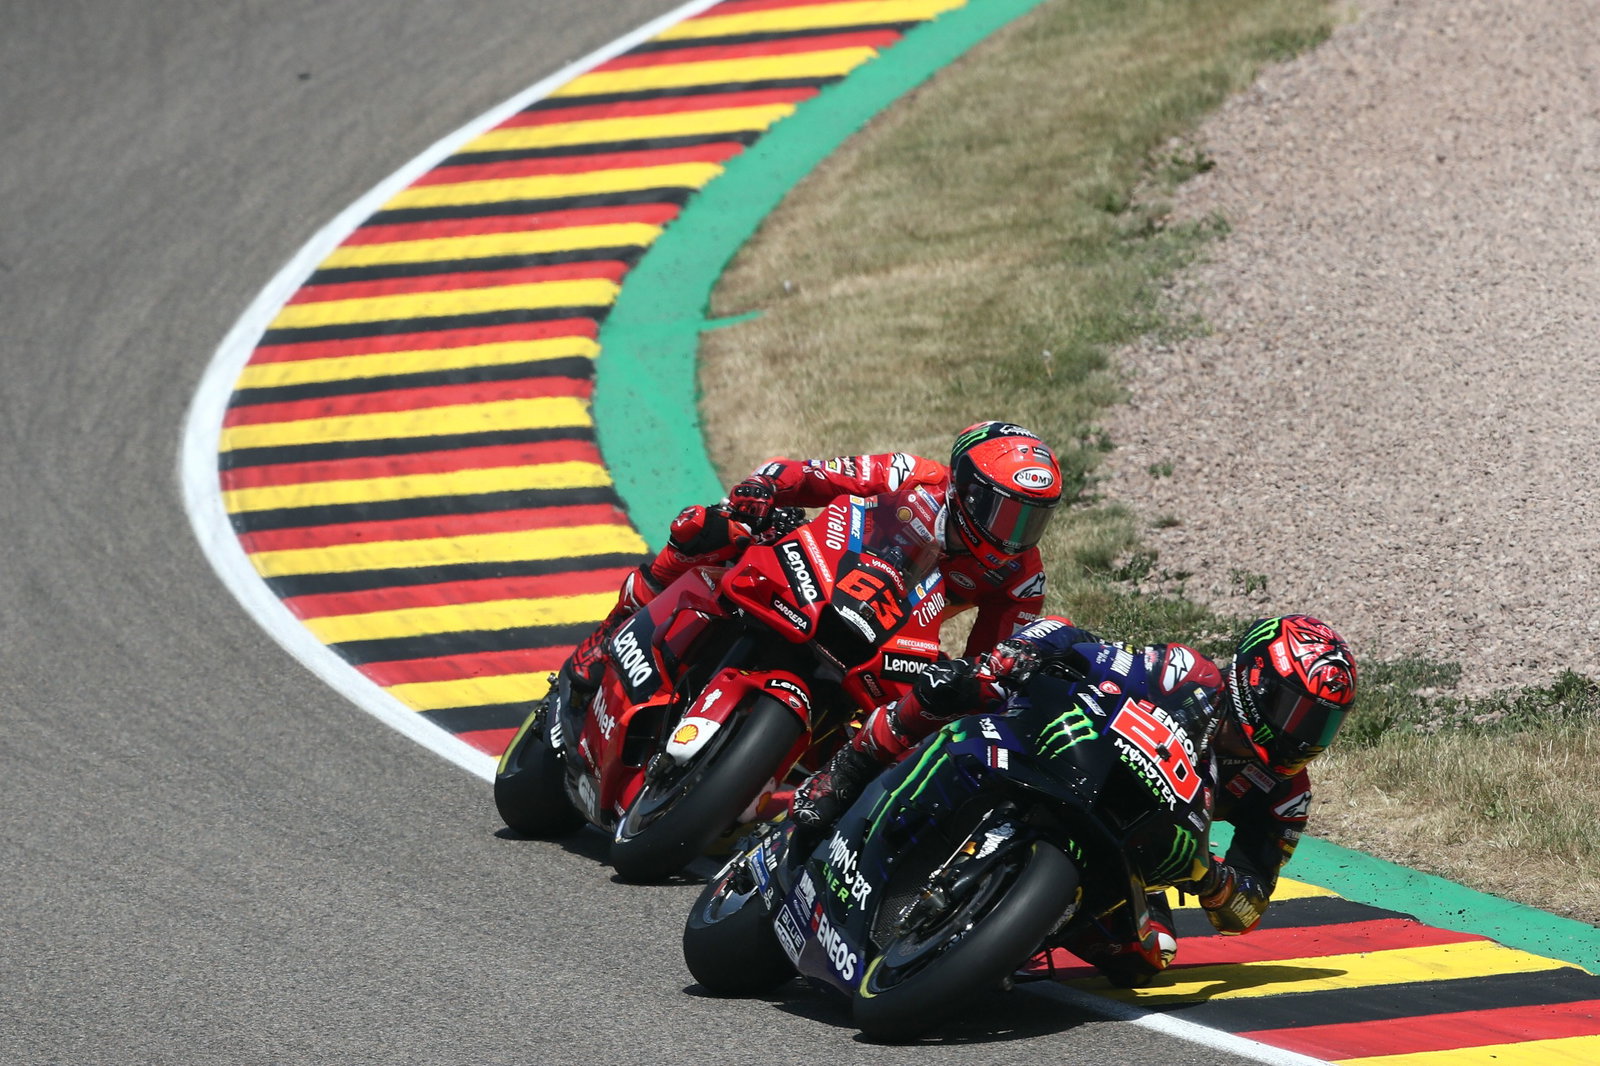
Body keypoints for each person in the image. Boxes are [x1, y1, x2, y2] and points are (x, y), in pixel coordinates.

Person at [791, 612, 1358, 987]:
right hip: (1064, 760)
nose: (1304, 735)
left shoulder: (1285, 795)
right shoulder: (1187, 675)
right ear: (1256, 680)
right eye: (1297, 712)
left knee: (1150, 954)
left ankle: (1013, 932)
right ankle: (850, 768)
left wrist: (1210, 879)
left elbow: (1248, 908)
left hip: (1131, 841)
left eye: (1321, 724)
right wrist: (1022, 653)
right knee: (965, 685)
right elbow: (1083, 645)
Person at [555, 421, 1066, 696]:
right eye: (1007, 513)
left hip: (891, 638)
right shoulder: (911, 476)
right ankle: (609, 634)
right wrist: (765, 487)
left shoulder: (1021, 578)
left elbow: (987, 661)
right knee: (708, 528)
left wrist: (970, 680)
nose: (1016, 534)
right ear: (967, 490)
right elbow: (815, 475)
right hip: (822, 571)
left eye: (1032, 520)